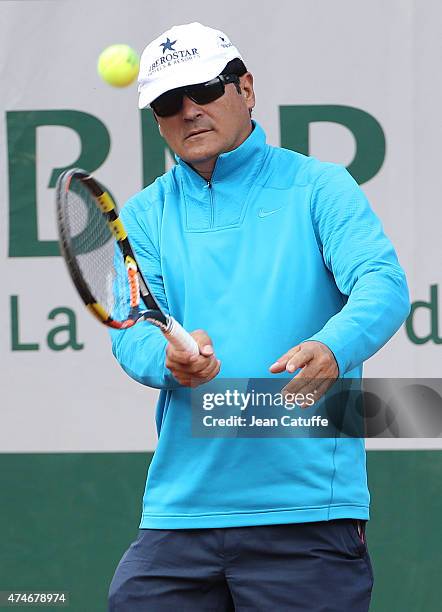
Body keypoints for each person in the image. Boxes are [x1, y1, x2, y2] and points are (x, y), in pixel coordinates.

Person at [108, 21, 410, 611]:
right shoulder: (144, 215)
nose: (189, 111)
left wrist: (334, 345)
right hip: (181, 512)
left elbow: (383, 284)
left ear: (246, 88)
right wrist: (167, 360)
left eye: (205, 91)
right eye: (169, 102)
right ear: (157, 120)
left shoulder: (319, 186)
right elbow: (134, 331)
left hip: (306, 515)